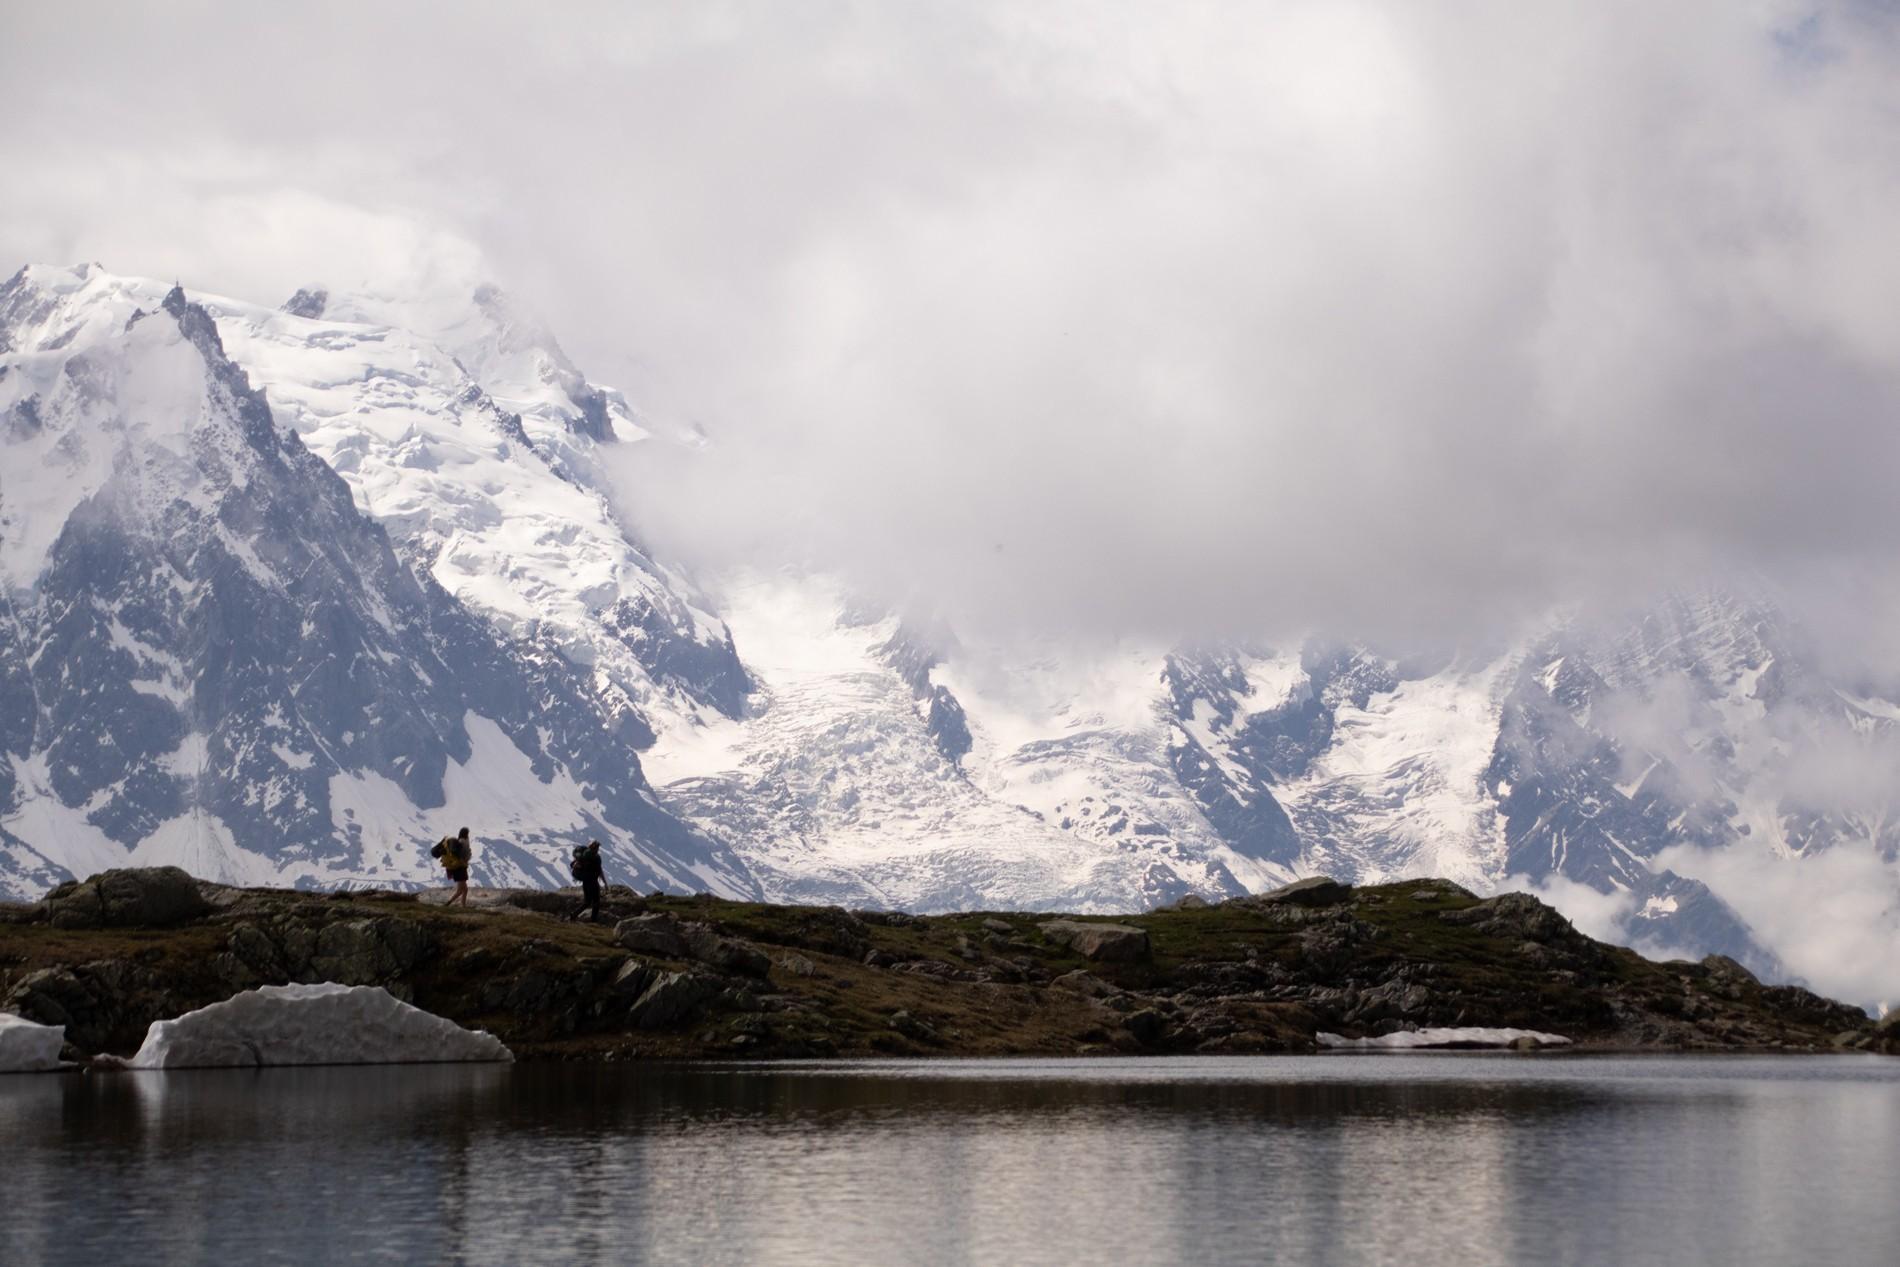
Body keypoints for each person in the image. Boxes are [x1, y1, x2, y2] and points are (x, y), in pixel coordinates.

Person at [431, 827, 473, 907]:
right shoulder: (463, 842)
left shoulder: (458, 842)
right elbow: (464, 855)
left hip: (458, 868)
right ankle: (448, 903)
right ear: (466, 834)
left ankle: (462, 906)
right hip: (460, 869)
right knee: (461, 890)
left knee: (464, 889)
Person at [570, 840, 605, 923]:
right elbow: (599, 870)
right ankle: (593, 920)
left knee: (587, 902)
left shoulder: (584, 855)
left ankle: (574, 914)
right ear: (596, 848)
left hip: (586, 881)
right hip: (592, 881)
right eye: (597, 848)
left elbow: (574, 865)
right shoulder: (595, 857)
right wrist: (605, 883)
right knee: (596, 902)